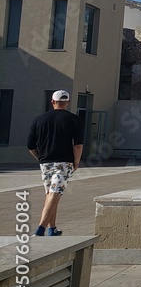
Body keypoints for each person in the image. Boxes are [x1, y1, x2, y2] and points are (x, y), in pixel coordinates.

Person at [26, 90, 84, 236]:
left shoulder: (39, 119)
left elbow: (30, 145)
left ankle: (52, 229)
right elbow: (78, 145)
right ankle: (41, 229)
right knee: (55, 194)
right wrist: (76, 162)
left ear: (52, 101)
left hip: (45, 163)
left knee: (51, 194)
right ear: (68, 102)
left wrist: (40, 158)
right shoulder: (74, 119)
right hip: (64, 163)